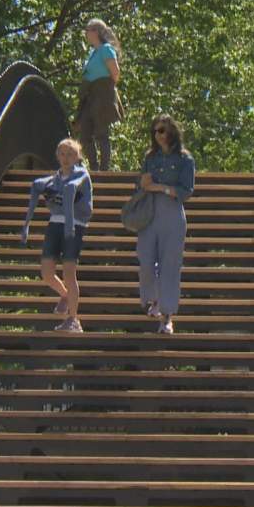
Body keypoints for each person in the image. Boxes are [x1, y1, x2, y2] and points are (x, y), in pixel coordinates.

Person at [20, 138, 94, 333]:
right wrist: (26, 225)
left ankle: (73, 319)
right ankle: (65, 295)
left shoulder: (82, 174)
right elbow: (38, 186)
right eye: (62, 154)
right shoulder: (56, 178)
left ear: (77, 157)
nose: (66, 158)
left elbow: (72, 187)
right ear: (57, 156)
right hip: (55, 224)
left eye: (70, 154)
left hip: (75, 226)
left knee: (69, 272)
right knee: (46, 272)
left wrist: (70, 225)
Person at [136, 115, 195, 334]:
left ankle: (167, 316)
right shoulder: (150, 157)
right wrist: (142, 184)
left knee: (170, 265)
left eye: (162, 130)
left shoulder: (184, 158)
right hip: (149, 212)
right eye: (155, 131)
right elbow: (140, 186)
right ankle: (153, 299)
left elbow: (186, 191)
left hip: (172, 212)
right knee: (145, 260)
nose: (158, 135)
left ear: (172, 131)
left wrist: (162, 188)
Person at [75, 18, 123, 170]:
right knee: (85, 133)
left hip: (102, 93)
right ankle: (94, 167)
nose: (86, 33)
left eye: (88, 30)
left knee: (102, 132)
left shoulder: (106, 49)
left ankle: (104, 169)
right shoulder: (93, 53)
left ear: (96, 32)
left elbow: (115, 73)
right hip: (89, 95)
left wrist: (106, 92)